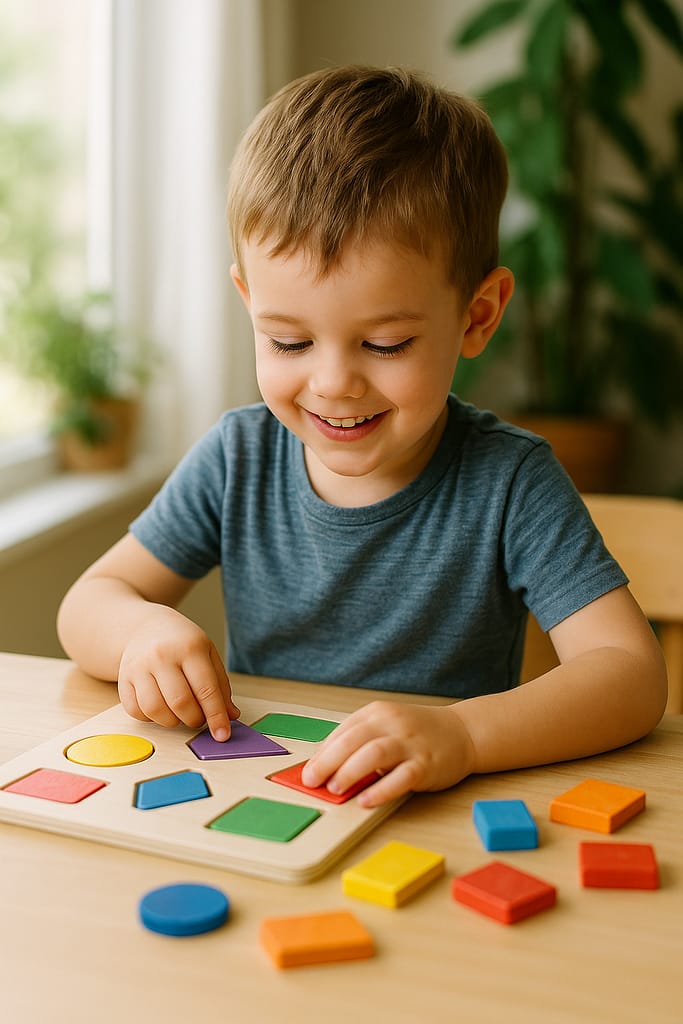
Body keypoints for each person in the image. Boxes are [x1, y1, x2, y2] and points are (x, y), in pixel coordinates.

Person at [57, 65, 667, 809]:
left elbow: (629, 674)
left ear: (476, 316)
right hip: (267, 801)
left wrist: (465, 737)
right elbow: (89, 602)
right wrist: (139, 631)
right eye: (287, 342)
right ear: (248, 302)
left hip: (434, 811)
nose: (333, 383)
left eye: (384, 345)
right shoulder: (236, 457)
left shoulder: (510, 480)